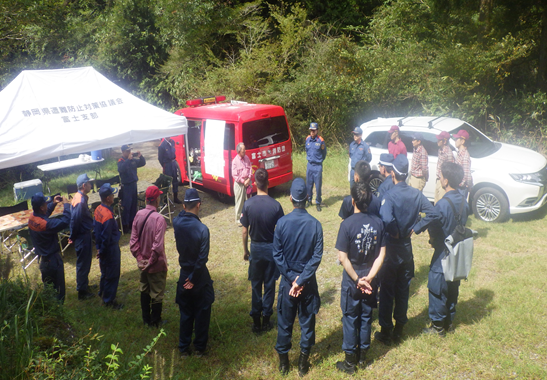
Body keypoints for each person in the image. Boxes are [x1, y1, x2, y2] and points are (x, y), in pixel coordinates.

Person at [376, 155, 440, 345]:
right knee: (403, 291)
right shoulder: (416, 194)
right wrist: (417, 228)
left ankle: (386, 331)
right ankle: (399, 329)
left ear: (393, 173)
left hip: (391, 249)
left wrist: (394, 231)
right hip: (406, 248)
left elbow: (386, 220)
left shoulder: (389, 195)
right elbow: (433, 212)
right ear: (408, 174)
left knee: (387, 291)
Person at [273, 178, 323, 376]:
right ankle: (303, 363)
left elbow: (277, 255)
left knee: (285, 323)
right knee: (307, 322)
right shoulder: (316, 225)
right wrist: (301, 280)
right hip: (308, 283)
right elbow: (316, 257)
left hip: (288, 283)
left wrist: (292, 279)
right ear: (307, 198)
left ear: (291, 198)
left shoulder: (281, 223)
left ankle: (284, 363)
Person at [335, 182, 387, 374]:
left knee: (350, 317)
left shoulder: (346, 225)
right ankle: (363, 357)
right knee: (366, 316)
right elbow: (381, 255)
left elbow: (342, 257)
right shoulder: (379, 223)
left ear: (353, 200)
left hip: (352, 278)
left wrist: (358, 279)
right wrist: (370, 278)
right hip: (371, 278)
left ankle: (350, 361)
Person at [423, 162, 468, 336]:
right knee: (452, 284)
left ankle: (437, 326)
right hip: (457, 249)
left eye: (441, 176)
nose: (440, 178)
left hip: (443, 250)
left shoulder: (441, 204)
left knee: (437, 286)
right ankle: (449, 320)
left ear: (446, 180)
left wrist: (433, 240)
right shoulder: (463, 201)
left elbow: (433, 227)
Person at [241, 168, 284, 333]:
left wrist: (245, 251)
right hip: (271, 248)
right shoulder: (276, 206)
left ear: (254, 183)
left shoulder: (248, 204)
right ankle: (267, 319)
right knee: (270, 284)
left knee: (256, 284)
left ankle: (256, 322)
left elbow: (245, 230)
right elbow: (280, 231)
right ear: (268, 182)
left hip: (256, 248)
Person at [173, 188, 214, 357]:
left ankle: (184, 347)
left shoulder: (176, 223)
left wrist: (188, 278)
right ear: (199, 204)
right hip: (198, 276)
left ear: (183, 206)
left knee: (186, 312)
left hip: (184, 273)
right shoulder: (203, 229)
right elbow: (202, 259)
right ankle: (199, 347)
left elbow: (180, 216)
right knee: (202, 311)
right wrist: (193, 278)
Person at [130, 185, 168, 327]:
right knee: (157, 293)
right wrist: (150, 262)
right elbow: (157, 246)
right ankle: (155, 322)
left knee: (144, 288)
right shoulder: (159, 219)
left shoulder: (138, 215)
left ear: (146, 199)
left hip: (142, 264)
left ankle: (146, 320)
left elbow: (133, 242)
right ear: (157, 199)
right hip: (156, 264)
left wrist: (141, 260)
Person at [28, 193, 71, 302]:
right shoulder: (46, 225)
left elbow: (44, 215)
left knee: (49, 290)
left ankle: (51, 314)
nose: (47, 205)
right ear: (42, 207)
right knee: (58, 290)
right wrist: (66, 206)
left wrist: (53, 204)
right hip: (53, 261)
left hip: (43, 261)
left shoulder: (32, 218)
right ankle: (59, 314)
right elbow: (65, 221)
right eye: (46, 204)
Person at [93, 183, 123, 309]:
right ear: (108, 198)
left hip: (102, 247)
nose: (113, 196)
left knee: (104, 272)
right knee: (112, 274)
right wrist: (104, 250)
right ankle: (109, 301)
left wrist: (99, 249)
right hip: (110, 249)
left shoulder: (98, 209)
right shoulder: (108, 216)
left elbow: (96, 231)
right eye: (112, 194)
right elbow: (107, 236)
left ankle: (102, 291)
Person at [70, 173, 95, 300]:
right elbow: (75, 220)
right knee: (83, 263)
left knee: (86, 261)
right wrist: (73, 236)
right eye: (90, 183)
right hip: (82, 236)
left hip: (83, 234)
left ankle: (85, 285)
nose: (91, 185)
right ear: (84, 185)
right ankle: (82, 291)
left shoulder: (80, 197)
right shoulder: (80, 201)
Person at [118, 144, 146, 233]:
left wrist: (140, 156)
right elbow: (121, 169)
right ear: (123, 152)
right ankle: (125, 225)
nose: (129, 152)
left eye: (130, 151)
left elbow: (142, 163)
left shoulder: (133, 160)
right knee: (127, 206)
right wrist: (128, 160)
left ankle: (132, 223)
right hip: (126, 186)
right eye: (127, 151)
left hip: (134, 184)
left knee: (134, 204)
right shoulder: (121, 161)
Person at [305, 122, 327, 211]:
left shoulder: (321, 140)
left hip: (317, 166)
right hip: (310, 165)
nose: (312, 132)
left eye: (314, 131)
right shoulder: (307, 139)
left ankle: (318, 202)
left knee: (318, 186)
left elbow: (324, 153)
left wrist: (319, 161)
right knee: (309, 185)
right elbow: (306, 150)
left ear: (317, 131)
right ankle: (309, 200)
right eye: (311, 130)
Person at [231, 142, 252, 225]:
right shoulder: (235, 161)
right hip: (239, 184)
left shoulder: (247, 158)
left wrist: (249, 178)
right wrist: (243, 181)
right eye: (243, 149)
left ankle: (249, 216)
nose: (245, 151)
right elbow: (235, 175)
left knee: (249, 200)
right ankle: (238, 218)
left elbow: (250, 168)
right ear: (239, 151)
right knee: (239, 201)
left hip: (248, 182)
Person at [158, 137, 182, 204]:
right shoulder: (162, 146)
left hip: (173, 163)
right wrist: (165, 165)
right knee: (167, 182)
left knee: (175, 181)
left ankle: (175, 198)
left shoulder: (172, 142)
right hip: (167, 164)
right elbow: (160, 158)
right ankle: (165, 199)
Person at [434, 131, 455, 204]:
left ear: (445, 141)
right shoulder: (440, 150)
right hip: (438, 179)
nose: (437, 141)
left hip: (444, 181)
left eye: (439, 140)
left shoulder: (449, 153)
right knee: (436, 202)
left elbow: (450, 170)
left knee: (441, 202)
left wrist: (445, 182)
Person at [453, 130, 473, 197]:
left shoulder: (465, 156)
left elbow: (467, 174)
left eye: (456, 139)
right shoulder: (459, 153)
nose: (455, 141)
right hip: (457, 187)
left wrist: (464, 184)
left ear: (462, 141)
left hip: (461, 189)